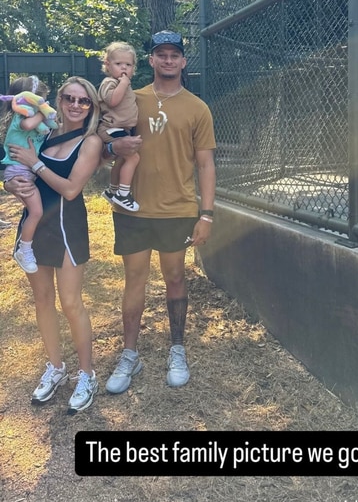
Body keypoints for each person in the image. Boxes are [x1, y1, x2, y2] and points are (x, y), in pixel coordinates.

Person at [105, 30, 216, 394]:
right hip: (133, 209)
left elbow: (205, 165)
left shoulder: (198, 108)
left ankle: (178, 349)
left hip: (177, 209)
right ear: (150, 60)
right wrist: (112, 147)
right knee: (134, 280)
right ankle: (129, 354)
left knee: (175, 279)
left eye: (174, 55)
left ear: (183, 61)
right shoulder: (130, 100)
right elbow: (103, 144)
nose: (168, 60)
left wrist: (207, 213)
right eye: (160, 54)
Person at [3, 77, 102, 415]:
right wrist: (13, 184)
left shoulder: (91, 142)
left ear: (91, 106)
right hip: (35, 225)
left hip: (67, 226)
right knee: (42, 299)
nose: (76, 106)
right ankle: (56, 367)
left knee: (71, 302)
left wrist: (35, 163)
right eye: (70, 98)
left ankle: (87, 374)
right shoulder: (44, 131)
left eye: (83, 101)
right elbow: (17, 167)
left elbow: (71, 189)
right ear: (59, 100)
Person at [0, 75, 57, 273]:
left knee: (36, 212)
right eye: (40, 99)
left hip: (25, 172)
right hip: (19, 173)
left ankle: (26, 246)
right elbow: (28, 126)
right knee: (36, 212)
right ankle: (23, 249)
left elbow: (45, 129)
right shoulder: (21, 118)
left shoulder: (31, 120)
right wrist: (43, 112)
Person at [97, 41, 140, 212]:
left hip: (121, 130)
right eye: (118, 64)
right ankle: (123, 194)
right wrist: (123, 83)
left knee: (123, 159)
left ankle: (112, 191)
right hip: (111, 129)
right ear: (108, 65)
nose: (124, 68)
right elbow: (113, 101)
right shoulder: (110, 83)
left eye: (128, 65)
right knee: (134, 157)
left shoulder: (123, 84)